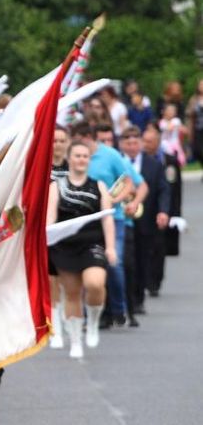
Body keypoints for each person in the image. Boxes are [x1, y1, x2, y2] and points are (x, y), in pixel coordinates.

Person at [47, 140, 116, 359]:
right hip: (65, 245)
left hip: (92, 243)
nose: (81, 160)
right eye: (77, 155)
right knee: (72, 293)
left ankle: (93, 320)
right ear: (69, 157)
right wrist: (46, 244)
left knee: (95, 284)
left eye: (85, 156)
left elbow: (107, 220)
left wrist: (111, 247)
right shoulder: (56, 187)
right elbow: (50, 220)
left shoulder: (99, 186)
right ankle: (76, 340)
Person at [88, 123, 145, 329]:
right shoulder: (82, 156)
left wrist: (131, 201)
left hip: (119, 219)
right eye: (103, 140)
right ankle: (101, 312)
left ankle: (124, 309)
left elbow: (137, 184)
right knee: (95, 265)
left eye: (108, 140)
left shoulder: (113, 157)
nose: (106, 144)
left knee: (119, 265)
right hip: (91, 219)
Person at [120, 127, 170, 316]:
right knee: (125, 261)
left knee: (141, 260)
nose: (132, 147)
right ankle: (124, 299)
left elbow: (163, 189)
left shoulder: (154, 165)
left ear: (140, 144)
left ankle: (138, 300)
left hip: (146, 220)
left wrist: (163, 211)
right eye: (128, 143)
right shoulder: (118, 163)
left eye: (135, 143)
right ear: (122, 144)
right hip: (122, 219)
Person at [142, 125, 181, 294]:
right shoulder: (139, 160)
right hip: (144, 207)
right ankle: (143, 279)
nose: (146, 144)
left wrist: (174, 213)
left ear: (158, 143)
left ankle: (155, 282)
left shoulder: (168, 161)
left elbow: (175, 188)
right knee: (144, 246)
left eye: (150, 141)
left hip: (162, 209)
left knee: (159, 247)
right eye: (144, 141)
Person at [48, 125, 71, 349]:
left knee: (69, 277)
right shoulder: (42, 167)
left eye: (62, 140)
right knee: (52, 278)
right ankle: (54, 322)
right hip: (49, 227)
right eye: (54, 141)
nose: (58, 145)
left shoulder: (74, 166)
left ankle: (67, 310)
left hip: (72, 226)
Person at [158, 103, 187, 167]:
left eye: (173, 110)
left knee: (178, 160)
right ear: (164, 112)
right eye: (169, 110)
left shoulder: (176, 120)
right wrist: (175, 125)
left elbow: (184, 130)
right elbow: (169, 128)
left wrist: (181, 129)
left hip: (175, 143)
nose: (171, 112)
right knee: (169, 160)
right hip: (165, 144)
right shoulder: (162, 122)